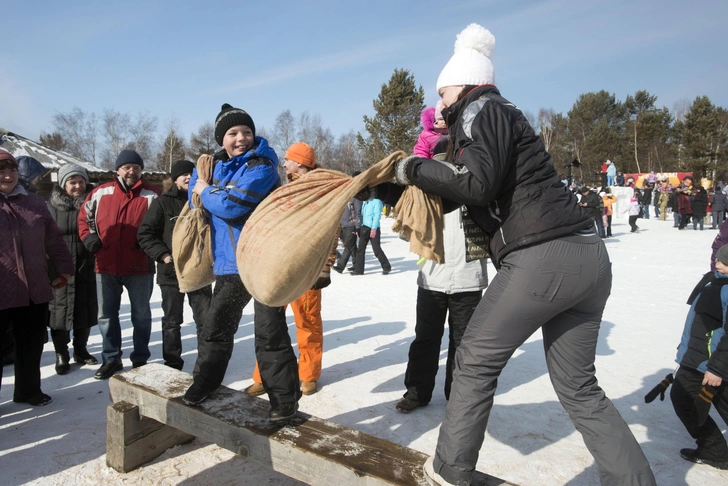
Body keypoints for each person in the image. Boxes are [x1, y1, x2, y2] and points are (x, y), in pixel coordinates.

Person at [389, 24, 656, 485]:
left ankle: (450, 470)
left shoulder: (479, 107)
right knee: (578, 385)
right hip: (588, 258)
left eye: (442, 92)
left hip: (542, 257)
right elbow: (474, 190)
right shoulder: (501, 115)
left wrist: (413, 165)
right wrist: (407, 179)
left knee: (473, 355)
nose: (439, 104)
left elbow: (477, 183)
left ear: (464, 83)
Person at [183, 104, 300, 423]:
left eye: (246, 131)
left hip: (264, 261)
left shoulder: (262, 163)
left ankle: (284, 400)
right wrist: (205, 188)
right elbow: (194, 200)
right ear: (222, 139)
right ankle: (204, 383)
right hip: (230, 264)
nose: (241, 138)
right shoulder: (212, 167)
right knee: (216, 327)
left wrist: (206, 189)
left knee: (269, 331)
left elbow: (233, 204)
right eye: (233, 133)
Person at [244, 142, 337, 397]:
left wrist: (324, 268)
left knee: (308, 323)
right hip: (280, 269)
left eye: (288, 159)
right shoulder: (284, 189)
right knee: (269, 325)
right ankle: (264, 376)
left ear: (300, 162)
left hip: (307, 271)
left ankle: (308, 374)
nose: (284, 163)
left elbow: (331, 231)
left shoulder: (321, 190)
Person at [396, 204, 488, 413]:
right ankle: (416, 392)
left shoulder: (479, 192)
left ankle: (457, 396)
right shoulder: (428, 195)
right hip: (432, 279)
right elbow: (405, 232)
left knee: (463, 343)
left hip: (469, 281)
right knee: (425, 339)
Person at [78, 149, 160, 380]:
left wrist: (150, 247)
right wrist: (90, 238)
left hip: (139, 265)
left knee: (141, 315)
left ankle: (141, 358)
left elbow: (161, 225)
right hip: (105, 264)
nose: (131, 171)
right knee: (106, 315)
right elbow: (84, 218)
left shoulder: (152, 195)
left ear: (141, 170)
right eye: (126, 167)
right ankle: (111, 358)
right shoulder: (100, 193)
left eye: (135, 167)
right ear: (118, 170)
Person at [0, 151, 73, 406]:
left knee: (30, 344)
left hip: (34, 286)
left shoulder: (34, 203)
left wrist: (63, 268)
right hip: (2, 288)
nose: (8, 175)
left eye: (12, 170)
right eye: (1, 170)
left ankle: (28, 391)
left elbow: (53, 239)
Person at [137, 160, 212, 370]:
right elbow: (145, 233)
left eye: (192, 174)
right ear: (175, 179)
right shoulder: (162, 203)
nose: (188, 178)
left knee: (204, 320)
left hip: (199, 269)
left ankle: (206, 364)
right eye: (183, 175)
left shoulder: (203, 200)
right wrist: (163, 255)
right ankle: (172, 363)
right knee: (172, 321)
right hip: (171, 272)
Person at [669, 244, 728, 470]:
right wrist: (683, 355)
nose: (718, 264)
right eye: (719, 260)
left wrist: (718, 369)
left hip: (716, 365)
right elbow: (696, 322)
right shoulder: (713, 280)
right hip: (697, 360)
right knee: (683, 398)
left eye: (725, 263)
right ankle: (716, 452)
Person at [47, 164, 99, 375]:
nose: (78, 186)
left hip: (86, 263)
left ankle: (81, 350)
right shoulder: (49, 207)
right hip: (59, 265)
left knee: (83, 308)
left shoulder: (93, 203)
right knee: (59, 310)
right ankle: (61, 353)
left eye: (81, 181)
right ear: (63, 184)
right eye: (72, 182)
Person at [332, 171, 362, 274]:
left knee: (348, 246)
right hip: (344, 224)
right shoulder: (347, 195)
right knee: (353, 247)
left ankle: (340, 266)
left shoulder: (357, 196)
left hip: (351, 225)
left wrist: (357, 226)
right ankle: (356, 265)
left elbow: (358, 212)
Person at [353, 195, 391, 275]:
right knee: (360, 250)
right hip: (364, 228)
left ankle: (386, 267)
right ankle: (359, 270)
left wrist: (373, 229)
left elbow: (376, 216)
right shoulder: (365, 202)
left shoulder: (377, 201)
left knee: (376, 250)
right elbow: (362, 215)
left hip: (373, 228)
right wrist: (359, 228)